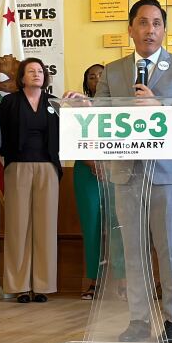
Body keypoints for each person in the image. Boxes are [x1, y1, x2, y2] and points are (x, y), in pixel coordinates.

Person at [86, 0, 172, 343]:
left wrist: (161, 105)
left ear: (164, 30)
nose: (149, 30)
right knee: (133, 250)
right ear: (130, 29)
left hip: (169, 175)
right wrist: (83, 106)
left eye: (156, 23)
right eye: (142, 22)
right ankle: (139, 319)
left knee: (169, 248)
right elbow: (101, 113)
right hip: (126, 173)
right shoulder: (113, 69)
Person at [0, 57, 61, 304]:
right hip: (17, 167)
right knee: (18, 226)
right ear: (21, 77)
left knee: (45, 227)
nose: (37, 74)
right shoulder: (9, 102)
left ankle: (42, 284)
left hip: (48, 167)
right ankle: (20, 285)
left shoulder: (54, 103)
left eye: (40, 71)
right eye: (31, 71)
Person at [73, 63, 104, 300]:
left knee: (119, 227)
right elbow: (71, 139)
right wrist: (92, 162)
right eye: (91, 76)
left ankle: (121, 281)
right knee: (92, 227)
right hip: (86, 171)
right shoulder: (78, 106)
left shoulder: (123, 104)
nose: (96, 79)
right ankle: (94, 280)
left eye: (101, 75)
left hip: (118, 172)